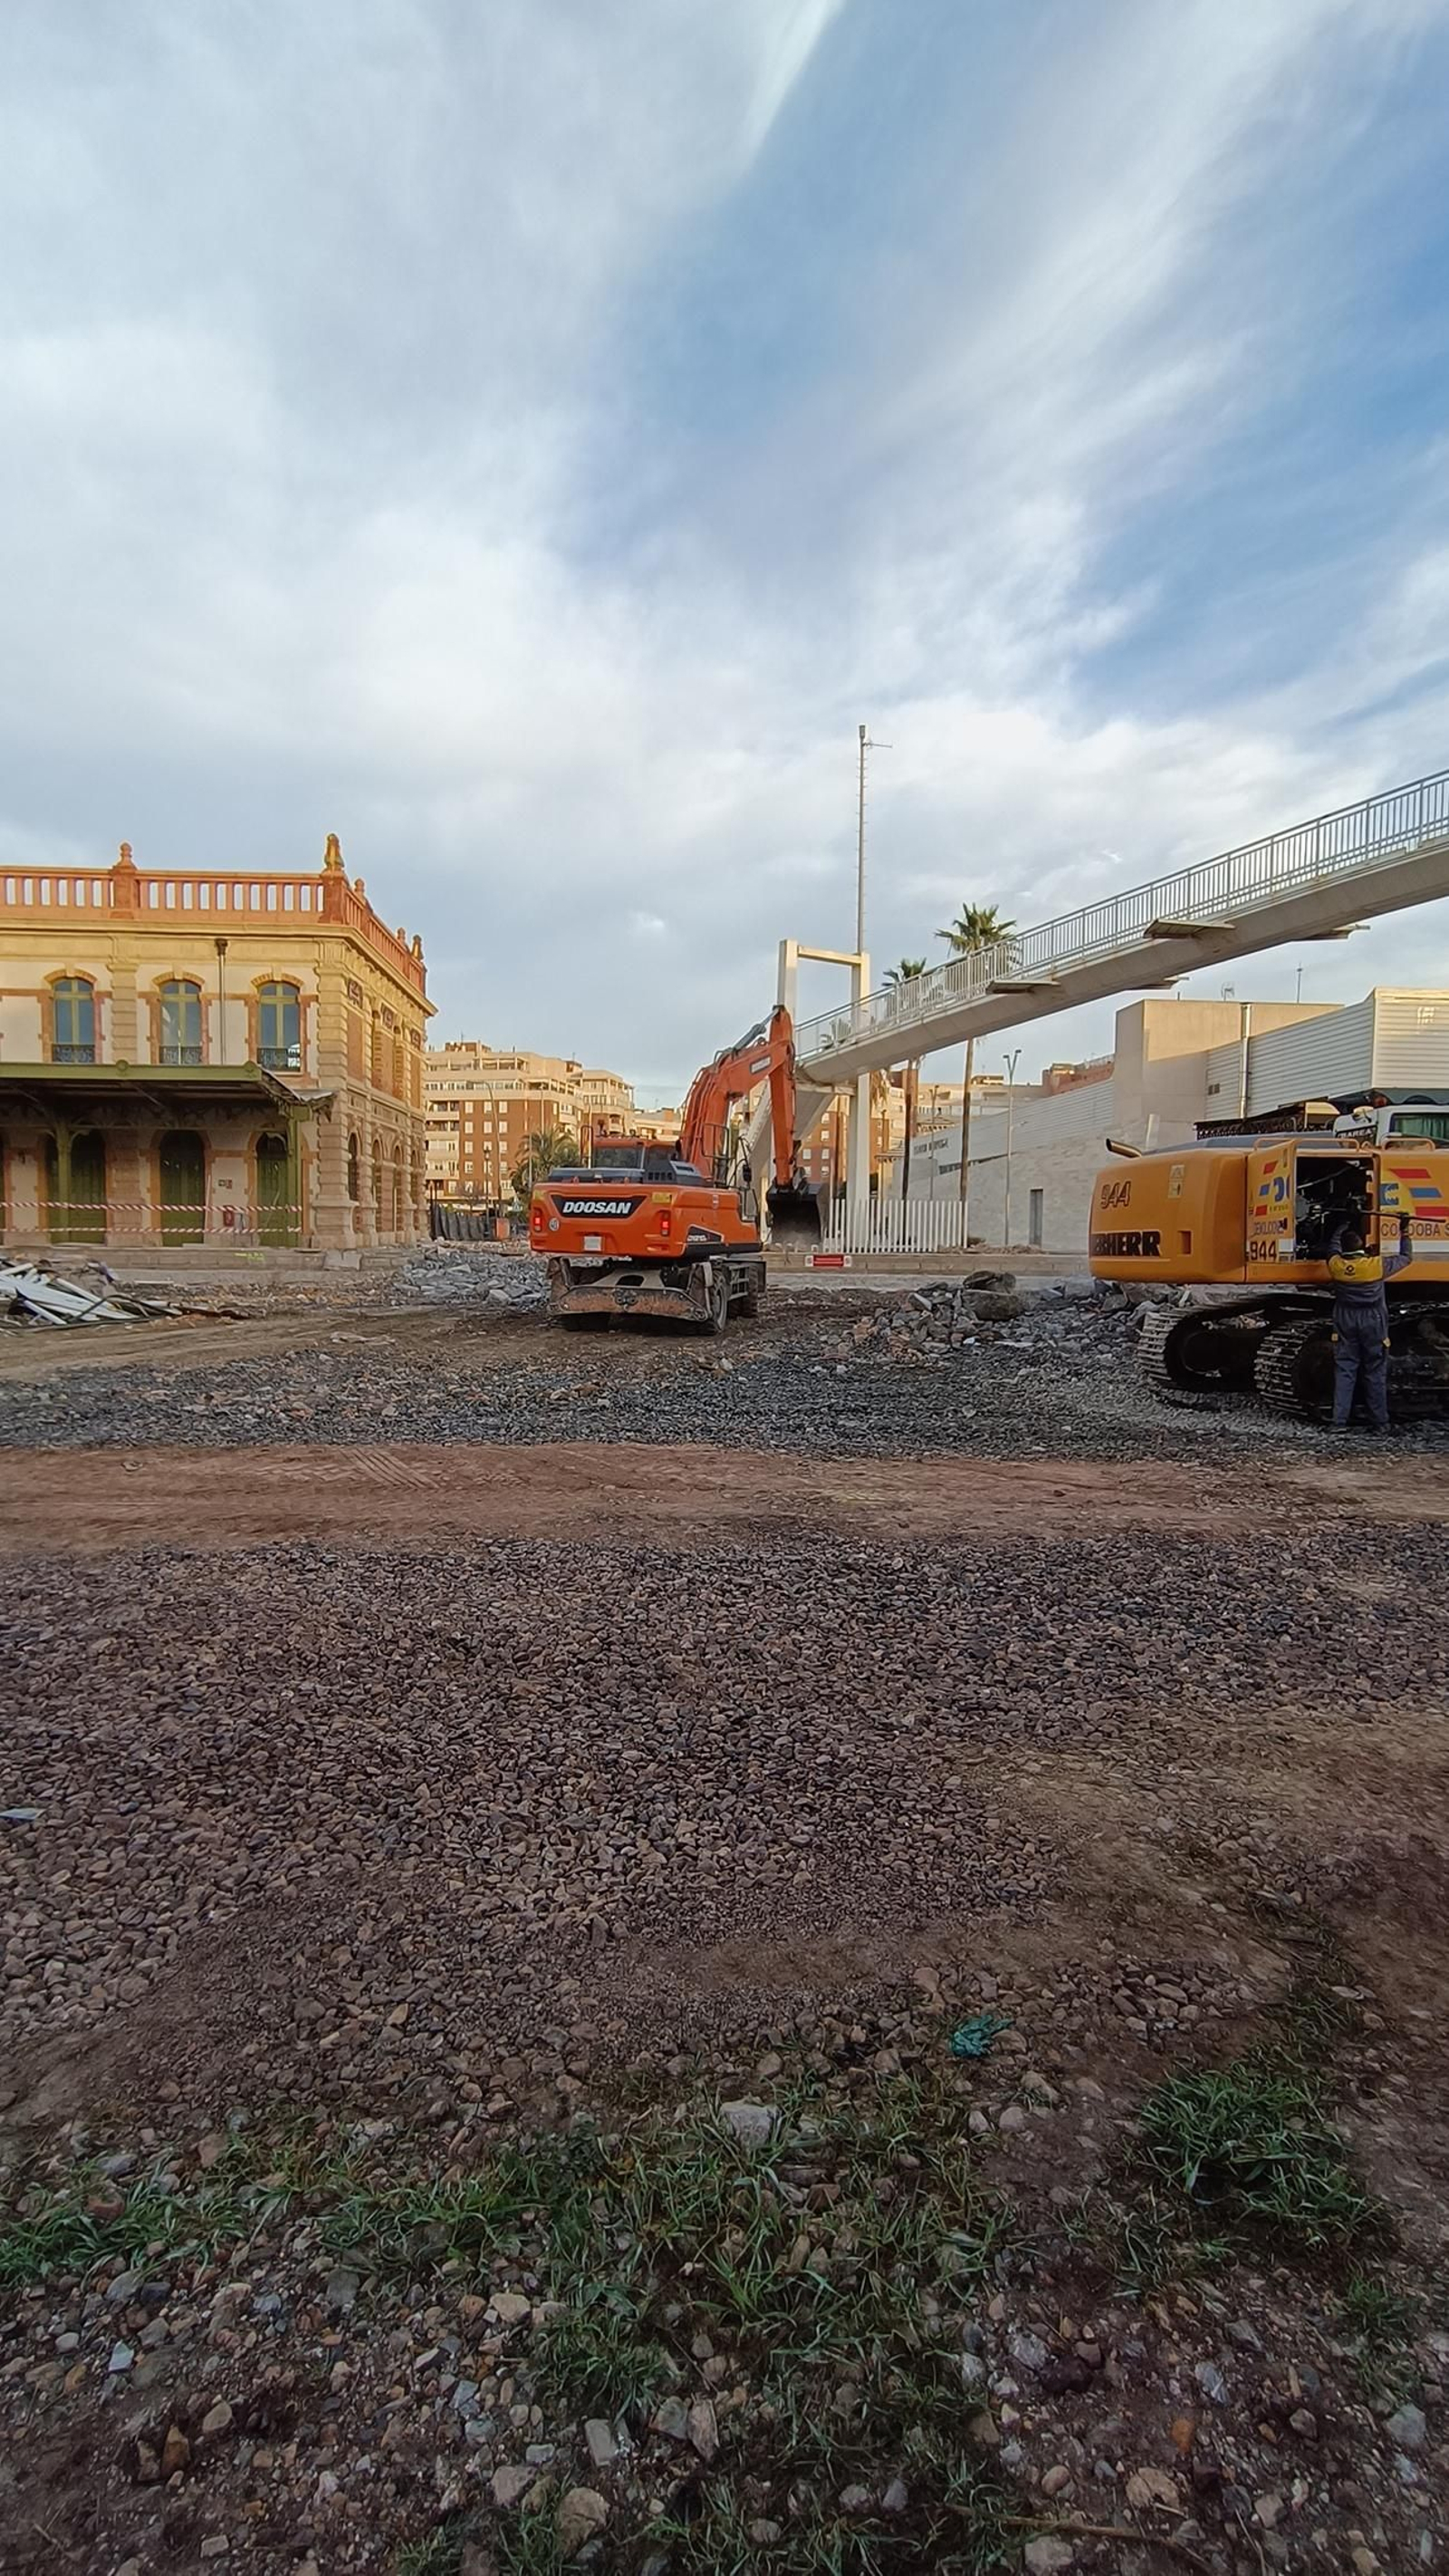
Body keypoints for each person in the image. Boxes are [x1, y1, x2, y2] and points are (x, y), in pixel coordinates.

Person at [1326, 1211, 1414, 1430]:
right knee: (1375, 1369)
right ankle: (1380, 1422)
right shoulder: (1376, 1265)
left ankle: (1338, 1422)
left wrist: (1342, 1223)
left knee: (1345, 1369)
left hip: (1345, 1317)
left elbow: (1332, 1248)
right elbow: (1406, 1258)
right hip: (1373, 1319)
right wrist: (1404, 1230)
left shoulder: (1336, 1266)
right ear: (1362, 1248)